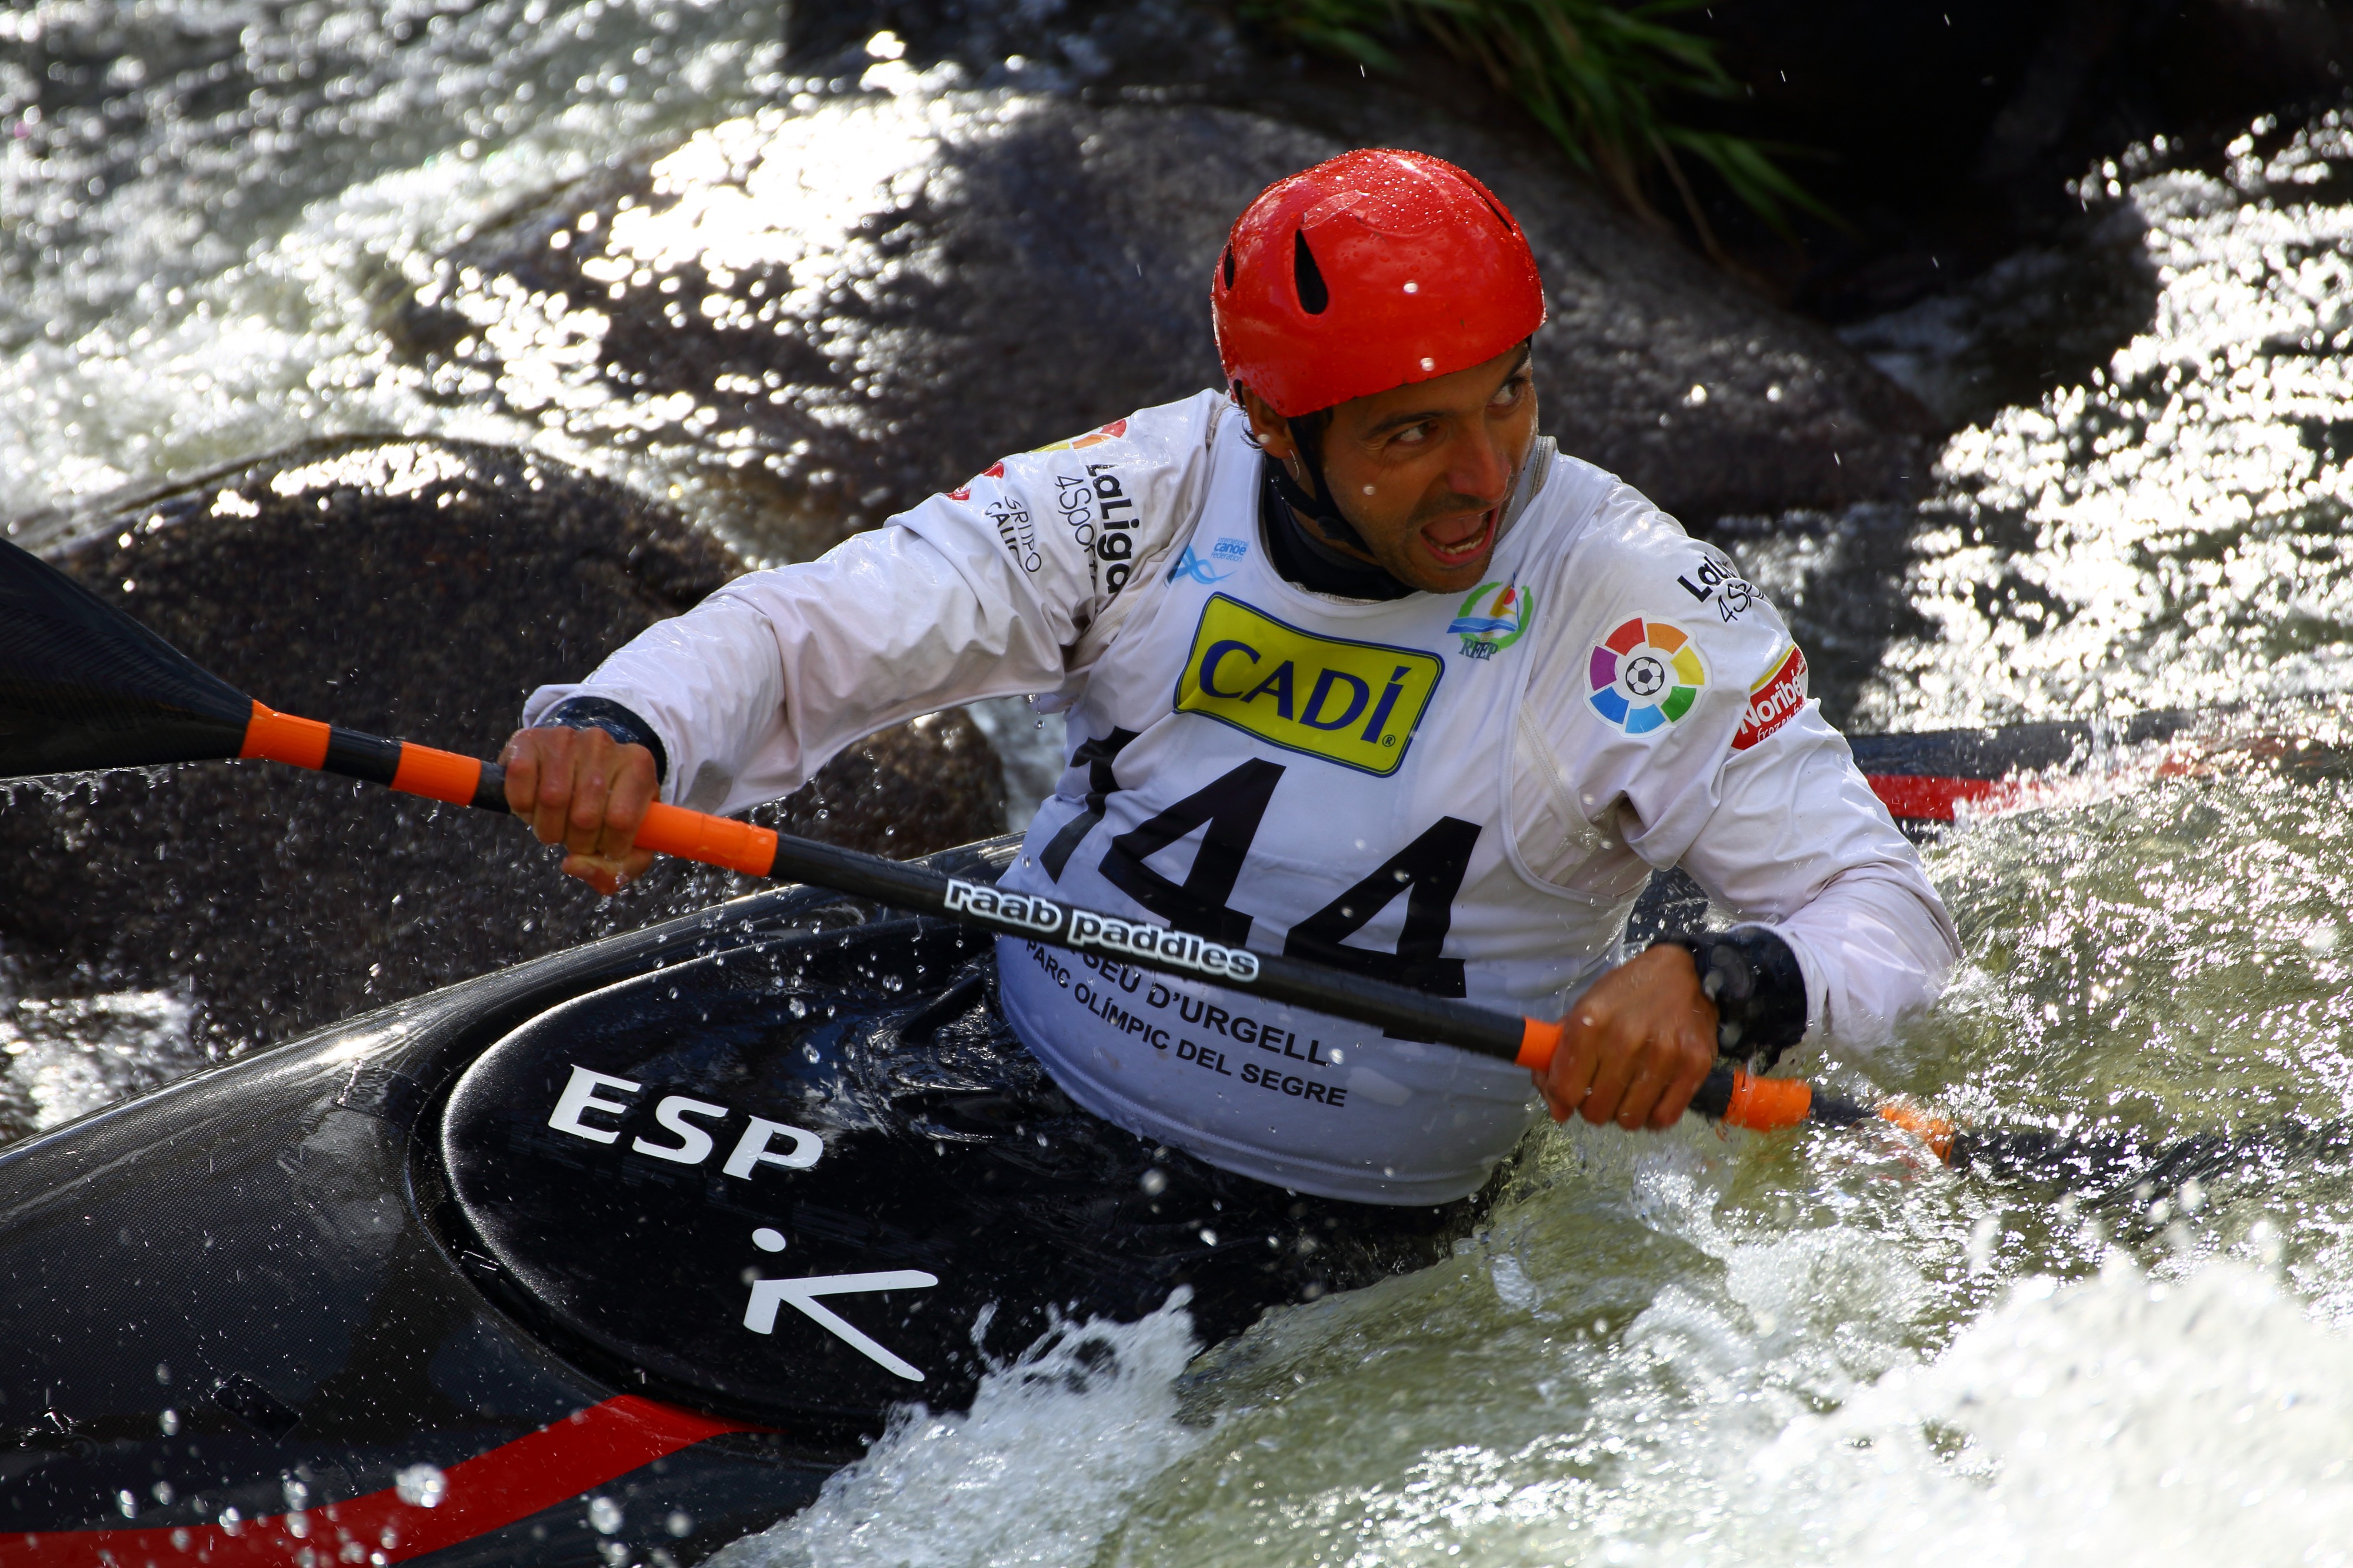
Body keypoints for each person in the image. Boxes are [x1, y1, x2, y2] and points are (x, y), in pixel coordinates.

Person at [501, 148, 1959, 1209]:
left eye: (1506, 396)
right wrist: (622, 718)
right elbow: (816, 625)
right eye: (1407, 436)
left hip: (1349, 1221)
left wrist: (1724, 980)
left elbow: (1881, 914)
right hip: (1005, 1063)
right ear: (1273, 425)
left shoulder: (1635, 608)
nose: (1481, 478)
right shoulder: (1144, 493)